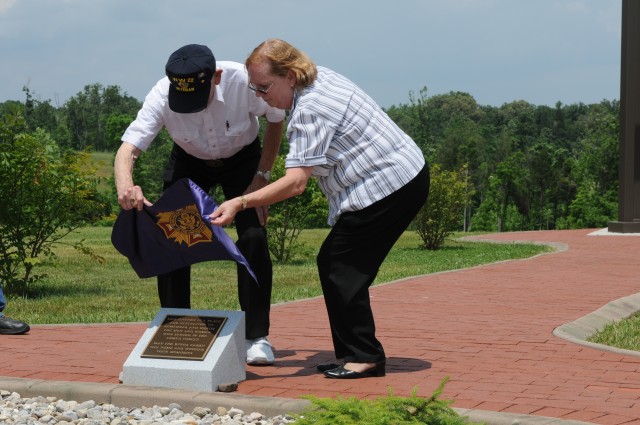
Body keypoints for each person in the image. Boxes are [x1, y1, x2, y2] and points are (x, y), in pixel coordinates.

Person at [210, 39, 430, 379]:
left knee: (340, 265)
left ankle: (364, 356)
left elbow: (296, 182)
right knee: (337, 263)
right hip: (401, 175)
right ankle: (355, 354)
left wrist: (241, 202)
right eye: (255, 88)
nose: (260, 96)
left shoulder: (311, 108)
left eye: (265, 87)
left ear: (291, 77)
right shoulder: (320, 77)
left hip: (391, 185)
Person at [114, 44, 285, 365]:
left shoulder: (242, 82)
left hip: (243, 160)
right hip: (189, 162)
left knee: (253, 237)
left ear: (216, 77)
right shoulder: (161, 94)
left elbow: (275, 119)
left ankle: (256, 337)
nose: (192, 108)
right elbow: (128, 149)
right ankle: (175, 327)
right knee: (171, 236)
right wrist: (126, 185)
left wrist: (263, 175)